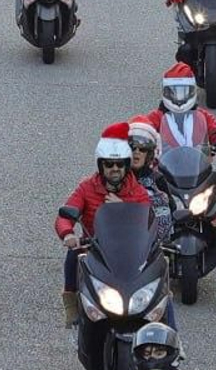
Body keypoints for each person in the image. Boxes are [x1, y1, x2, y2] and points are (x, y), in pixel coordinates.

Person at [143, 63, 216, 269]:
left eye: (184, 91)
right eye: (174, 92)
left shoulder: (202, 116)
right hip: (164, 172)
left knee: (215, 199)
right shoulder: (156, 117)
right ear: (165, 92)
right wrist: (136, 135)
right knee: (147, 203)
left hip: (197, 171)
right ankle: (143, 245)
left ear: (192, 91)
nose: (179, 97)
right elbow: (142, 126)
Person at [55, 124, 151, 324]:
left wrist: (122, 207)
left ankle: (169, 332)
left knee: (159, 282)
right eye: (109, 164)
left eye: (120, 164)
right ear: (101, 166)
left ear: (126, 165)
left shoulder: (138, 192)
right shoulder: (86, 187)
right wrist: (68, 234)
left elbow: (148, 222)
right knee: (73, 254)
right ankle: (71, 302)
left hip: (131, 251)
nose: (115, 169)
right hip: (94, 247)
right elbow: (64, 215)